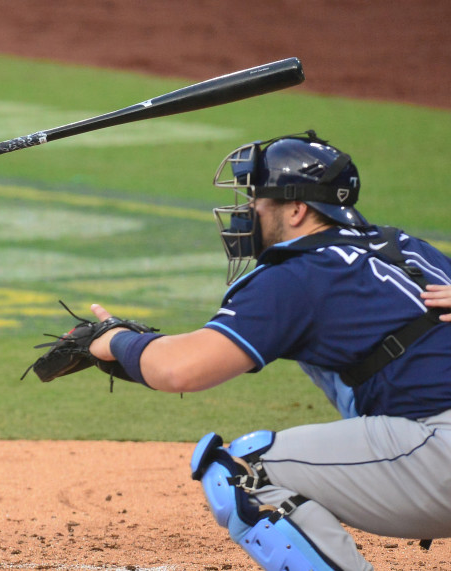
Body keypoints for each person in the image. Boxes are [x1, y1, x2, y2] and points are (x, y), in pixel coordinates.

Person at [83, 131, 450, 571]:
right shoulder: (409, 249)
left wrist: (114, 339)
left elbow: (182, 370)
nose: (249, 211)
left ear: (297, 210)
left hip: (439, 451)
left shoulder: (298, 275)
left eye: (259, 200)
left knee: (245, 471)